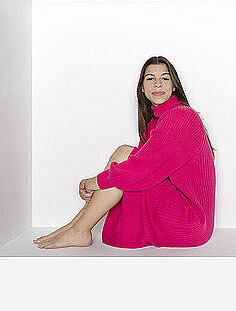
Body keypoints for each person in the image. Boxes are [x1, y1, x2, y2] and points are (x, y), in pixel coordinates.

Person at [33, 56, 217, 249]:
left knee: (125, 159)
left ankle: (79, 229)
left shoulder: (181, 116)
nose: (157, 84)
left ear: (173, 86)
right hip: (182, 214)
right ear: (142, 89)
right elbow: (141, 168)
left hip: (190, 222)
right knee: (125, 155)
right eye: (150, 79)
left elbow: (139, 171)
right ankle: (75, 227)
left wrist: (93, 182)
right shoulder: (155, 122)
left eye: (164, 78)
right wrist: (99, 184)